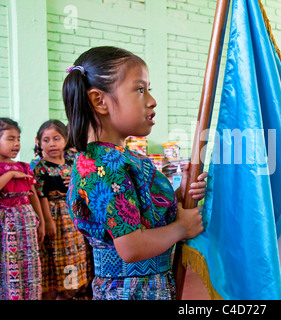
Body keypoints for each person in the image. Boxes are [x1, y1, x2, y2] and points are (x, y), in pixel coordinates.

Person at [62, 46, 206, 300]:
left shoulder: (124, 158)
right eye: (140, 90)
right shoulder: (102, 165)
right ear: (99, 101)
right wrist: (181, 229)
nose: (152, 100)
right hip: (130, 291)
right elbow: (131, 246)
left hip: (151, 285)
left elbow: (143, 214)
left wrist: (181, 192)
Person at [33, 120, 89, 300]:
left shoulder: (73, 164)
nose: (52, 144)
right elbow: (41, 195)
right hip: (53, 217)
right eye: (46, 140)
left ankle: (70, 291)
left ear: (65, 140)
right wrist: (47, 221)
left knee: (72, 255)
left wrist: (76, 183)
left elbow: (85, 186)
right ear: (39, 143)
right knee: (54, 256)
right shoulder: (40, 167)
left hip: (73, 217)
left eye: (56, 138)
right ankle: (55, 291)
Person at [0, 118, 45, 300]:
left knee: (29, 264)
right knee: (9, 264)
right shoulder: (11, 170)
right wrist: (10, 174)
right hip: (6, 227)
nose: (16, 144)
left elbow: (32, 195)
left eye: (18, 139)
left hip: (26, 224)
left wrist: (40, 222)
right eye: (10, 139)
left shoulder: (24, 167)